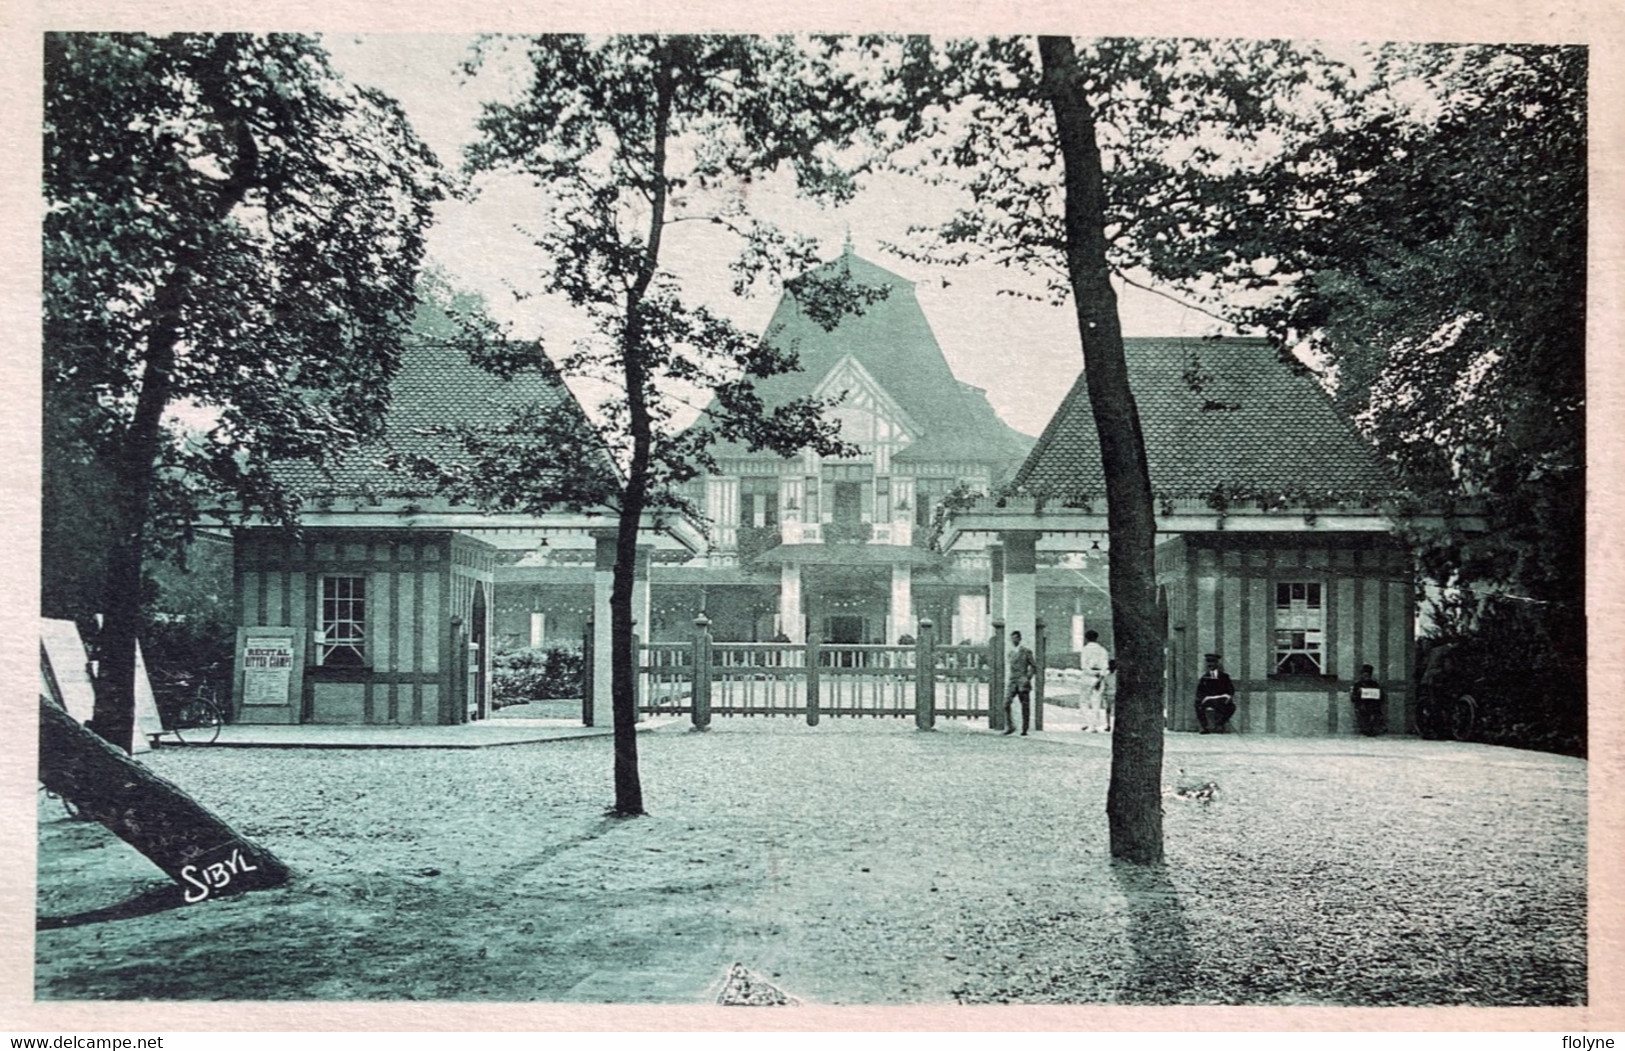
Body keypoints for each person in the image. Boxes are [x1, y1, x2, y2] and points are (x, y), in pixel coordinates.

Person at [1005, 629, 1038, 736]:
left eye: (1015, 638)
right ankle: (1011, 726)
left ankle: (1025, 729)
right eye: (1012, 639)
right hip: (1012, 681)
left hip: (1023, 682)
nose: (1013, 640)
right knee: (1006, 703)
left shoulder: (1026, 651)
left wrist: (1027, 677)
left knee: (1025, 706)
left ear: (1019, 639)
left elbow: (1033, 666)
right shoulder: (1010, 653)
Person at [1194, 652, 1236, 734]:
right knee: (1198, 706)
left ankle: (1219, 724)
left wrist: (1228, 697)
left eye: (1213, 662)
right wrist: (1202, 699)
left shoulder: (1224, 676)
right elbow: (1199, 691)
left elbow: (1231, 689)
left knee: (1232, 707)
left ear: (1217, 663)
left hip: (1221, 700)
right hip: (1208, 701)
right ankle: (1204, 727)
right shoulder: (1204, 677)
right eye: (1208, 662)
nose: (1210, 664)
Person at [1079, 629, 1111, 712]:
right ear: (1097, 638)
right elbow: (1105, 666)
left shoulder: (1085, 649)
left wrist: (1091, 673)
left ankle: (1089, 723)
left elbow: (1084, 666)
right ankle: (1095, 723)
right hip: (1100, 677)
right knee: (1096, 701)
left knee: (1084, 701)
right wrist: (1100, 676)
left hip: (1088, 676)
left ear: (1086, 638)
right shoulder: (1103, 650)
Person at [1351, 663, 1385, 736]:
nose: (1366, 677)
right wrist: (1358, 693)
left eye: (1368, 675)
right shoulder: (1358, 684)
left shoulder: (1374, 684)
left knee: (1374, 713)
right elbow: (1353, 697)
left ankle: (1372, 729)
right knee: (1364, 712)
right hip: (1362, 704)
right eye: (1364, 674)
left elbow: (1381, 696)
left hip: (1373, 704)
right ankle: (1366, 729)